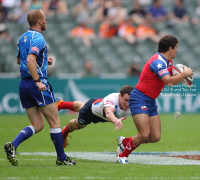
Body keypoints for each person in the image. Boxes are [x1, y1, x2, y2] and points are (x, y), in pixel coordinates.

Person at [4, 9, 75, 166]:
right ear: (40, 21)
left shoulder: (22, 38)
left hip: (23, 84)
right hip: (36, 83)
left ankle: (13, 145)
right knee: (54, 120)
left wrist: (42, 61)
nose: (46, 21)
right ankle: (61, 158)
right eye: (45, 19)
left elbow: (19, 60)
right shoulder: (39, 38)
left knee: (38, 124)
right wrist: (37, 80)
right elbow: (30, 60)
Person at [116, 35, 193, 164]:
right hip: (139, 98)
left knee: (155, 137)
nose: (177, 50)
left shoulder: (168, 62)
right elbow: (168, 80)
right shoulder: (158, 62)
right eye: (176, 48)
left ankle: (125, 141)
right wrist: (184, 74)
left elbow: (169, 82)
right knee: (144, 134)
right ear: (170, 48)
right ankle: (122, 155)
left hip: (150, 101)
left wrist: (182, 79)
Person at [56, 85, 135, 148]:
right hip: (91, 112)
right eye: (126, 100)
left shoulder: (133, 104)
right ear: (119, 96)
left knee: (82, 106)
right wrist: (115, 120)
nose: (128, 104)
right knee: (79, 124)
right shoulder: (112, 99)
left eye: (130, 101)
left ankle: (61, 104)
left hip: (99, 110)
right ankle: (63, 133)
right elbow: (108, 113)